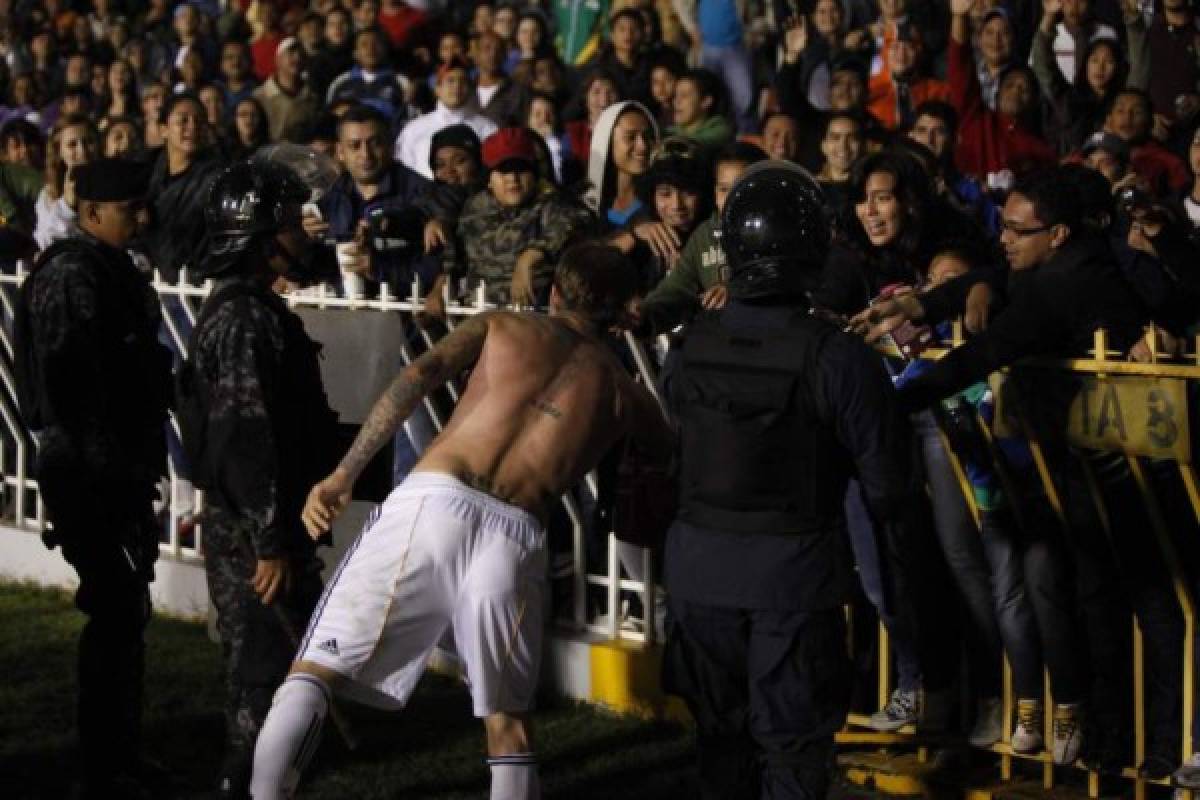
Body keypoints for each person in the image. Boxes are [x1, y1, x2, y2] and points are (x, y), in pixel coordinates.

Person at [248, 239, 673, 800]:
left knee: (313, 673)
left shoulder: (502, 326)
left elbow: (420, 374)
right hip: (517, 531)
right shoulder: (626, 393)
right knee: (508, 723)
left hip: (435, 498)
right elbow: (668, 459)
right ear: (622, 311)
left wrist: (344, 472)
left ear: (552, 291)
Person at [661, 160, 910, 799]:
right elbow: (888, 488)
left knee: (722, 748)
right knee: (792, 757)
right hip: (793, 582)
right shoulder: (839, 357)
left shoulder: (691, 343)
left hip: (698, 577)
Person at [181, 157, 341, 799]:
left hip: (257, 527)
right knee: (265, 678)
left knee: (271, 672)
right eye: (293, 222)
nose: (305, 234)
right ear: (260, 234)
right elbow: (247, 443)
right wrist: (271, 543)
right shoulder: (246, 321)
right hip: (258, 536)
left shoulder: (249, 312)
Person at [15, 157, 172, 798]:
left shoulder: (107, 269)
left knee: (125, 612)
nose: (139, 217)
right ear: (90, 213)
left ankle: (120, 754)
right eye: (127, 208)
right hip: (89, 471)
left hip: (113, 467)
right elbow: (73, 390)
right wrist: (110, 477)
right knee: (112, 612)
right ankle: (104, 764)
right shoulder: (75, 275)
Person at [443, 126, 593, 305]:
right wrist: (441, 286)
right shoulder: (474, 209)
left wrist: (529, 257)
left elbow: (576, 221)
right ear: (489, 178)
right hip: (480, 315)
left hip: (534, 321)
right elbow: (455, 256)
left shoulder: (552, 203)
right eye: (503, 170)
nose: (513, 178)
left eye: (521, 169)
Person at [393, 56, 497, 180]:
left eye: (463, 81)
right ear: (437, 88)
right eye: (450, 81)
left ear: (470, 88)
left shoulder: (488, 129)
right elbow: (401, 170)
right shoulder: (414, 129)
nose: (457, 86)